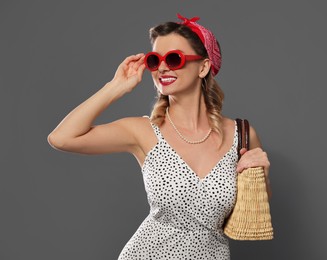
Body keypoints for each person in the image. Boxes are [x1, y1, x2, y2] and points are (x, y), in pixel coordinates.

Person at [47, 14, 271, 260]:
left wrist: (261, 173)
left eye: (174, 58)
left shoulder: (241, 135)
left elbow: (251, 209)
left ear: (204, 67)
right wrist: (116, 86)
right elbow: (62, 138)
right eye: (155, 60)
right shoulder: (143, 132)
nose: (163, 67)